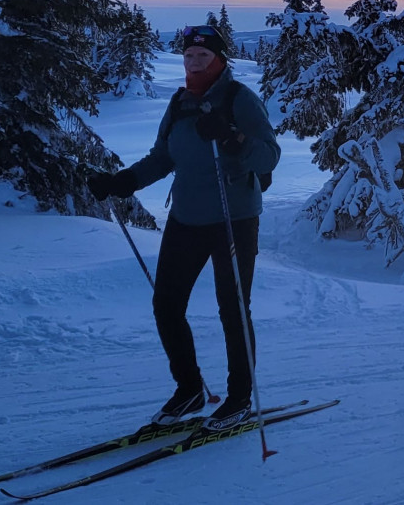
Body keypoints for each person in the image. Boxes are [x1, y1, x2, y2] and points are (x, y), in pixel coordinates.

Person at [87, 25, 280, 431]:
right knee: (166, 304)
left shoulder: (239, 99)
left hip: (234, 218)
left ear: (219, 60)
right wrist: (122, 182)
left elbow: (269, 157)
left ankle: (239, 398)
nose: (195, 63)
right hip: (187, 217)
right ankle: (190, 389)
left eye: (203, 56)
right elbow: (162, 157)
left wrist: (231, 138)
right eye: (189, 56)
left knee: (232, 309)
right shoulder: (178, 103)